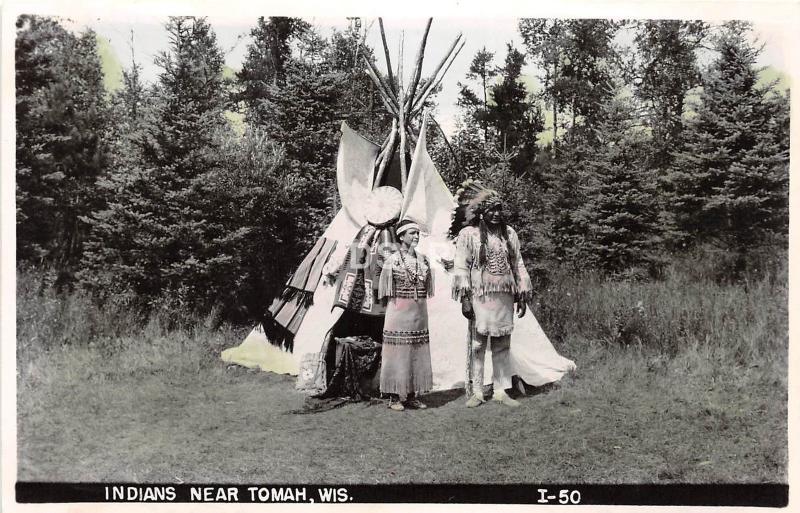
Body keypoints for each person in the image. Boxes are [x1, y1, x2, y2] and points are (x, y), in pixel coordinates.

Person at [452, 189, 533, 408]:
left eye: (499, 209)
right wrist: (465, 298)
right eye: (491, 209)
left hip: (504, 297)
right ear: (481, 211)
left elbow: (518, 265)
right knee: (478, 344)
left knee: (502, 344)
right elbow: (461, 266)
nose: (496, 213)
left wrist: (522, 295)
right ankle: (477, 391)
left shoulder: (509, 233)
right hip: (480, 296)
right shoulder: (469, 234)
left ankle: (500, 390)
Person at [378, 219, 434, 411]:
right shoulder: (392, 261)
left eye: (417, 233)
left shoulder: (424, 260)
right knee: (397, 353)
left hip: (419, 312)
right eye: (412, 233)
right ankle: (394, 396)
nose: (416, 237)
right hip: (399, 312)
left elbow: (427, 288)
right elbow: (385, 293)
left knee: (415, 352)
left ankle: (411, 395)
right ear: (401, 236)